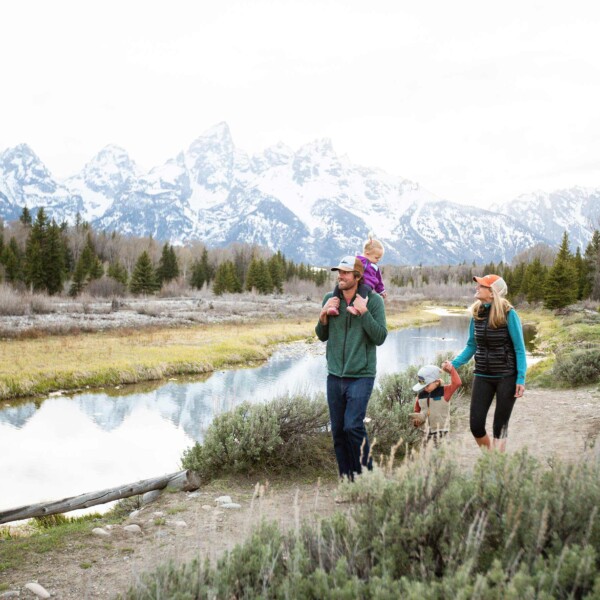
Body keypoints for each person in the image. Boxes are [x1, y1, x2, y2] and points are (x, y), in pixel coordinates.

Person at [316, 255, 388, 479]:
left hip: (361, 375)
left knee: (352, 426)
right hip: (334, 375)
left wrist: (364, 312)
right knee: (338, 431)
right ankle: (346, 479)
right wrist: (323, 315)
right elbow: (321, 335)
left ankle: (367, 478)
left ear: (357, 276)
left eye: (346, 273)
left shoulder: (374, 301)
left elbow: (380, 337)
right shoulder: (330, 298)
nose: (340, 276)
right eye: (339, 272)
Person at [450, 274, 526, 452]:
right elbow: (471, 345)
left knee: (499, 427)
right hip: (482, 375)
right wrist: (454, 364)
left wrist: (521, 378)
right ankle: (492, 460)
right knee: (476, 426)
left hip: (506, 377)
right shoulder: (477, 313)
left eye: (482, 286)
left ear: (492, 292)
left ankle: (496, 468)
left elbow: (520, 349)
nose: (477, 287)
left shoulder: (509, 313)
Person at [327, 235, 387, 317]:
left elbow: (379, 281)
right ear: (367, 253)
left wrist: (381, 291)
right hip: (356, 283)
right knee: (338, 287)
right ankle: (333, 306)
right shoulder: (356, 260)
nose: (378, 260)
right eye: (376, 257)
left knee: (363, 290)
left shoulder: (375, 267)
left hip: (367, 285)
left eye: (379, 258)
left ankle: (356, 308)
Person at [410, 361, 462, 444]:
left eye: (427, 385)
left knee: (441, 455)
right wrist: (416, 421)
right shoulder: (420, 395)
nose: (425, 388)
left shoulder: (445, 391)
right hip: (424, 433)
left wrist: (452, 369)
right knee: (427, 455)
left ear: (437, 382)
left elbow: (457, 383)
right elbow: (417, 411)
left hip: (442, 433)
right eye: (422, 386)